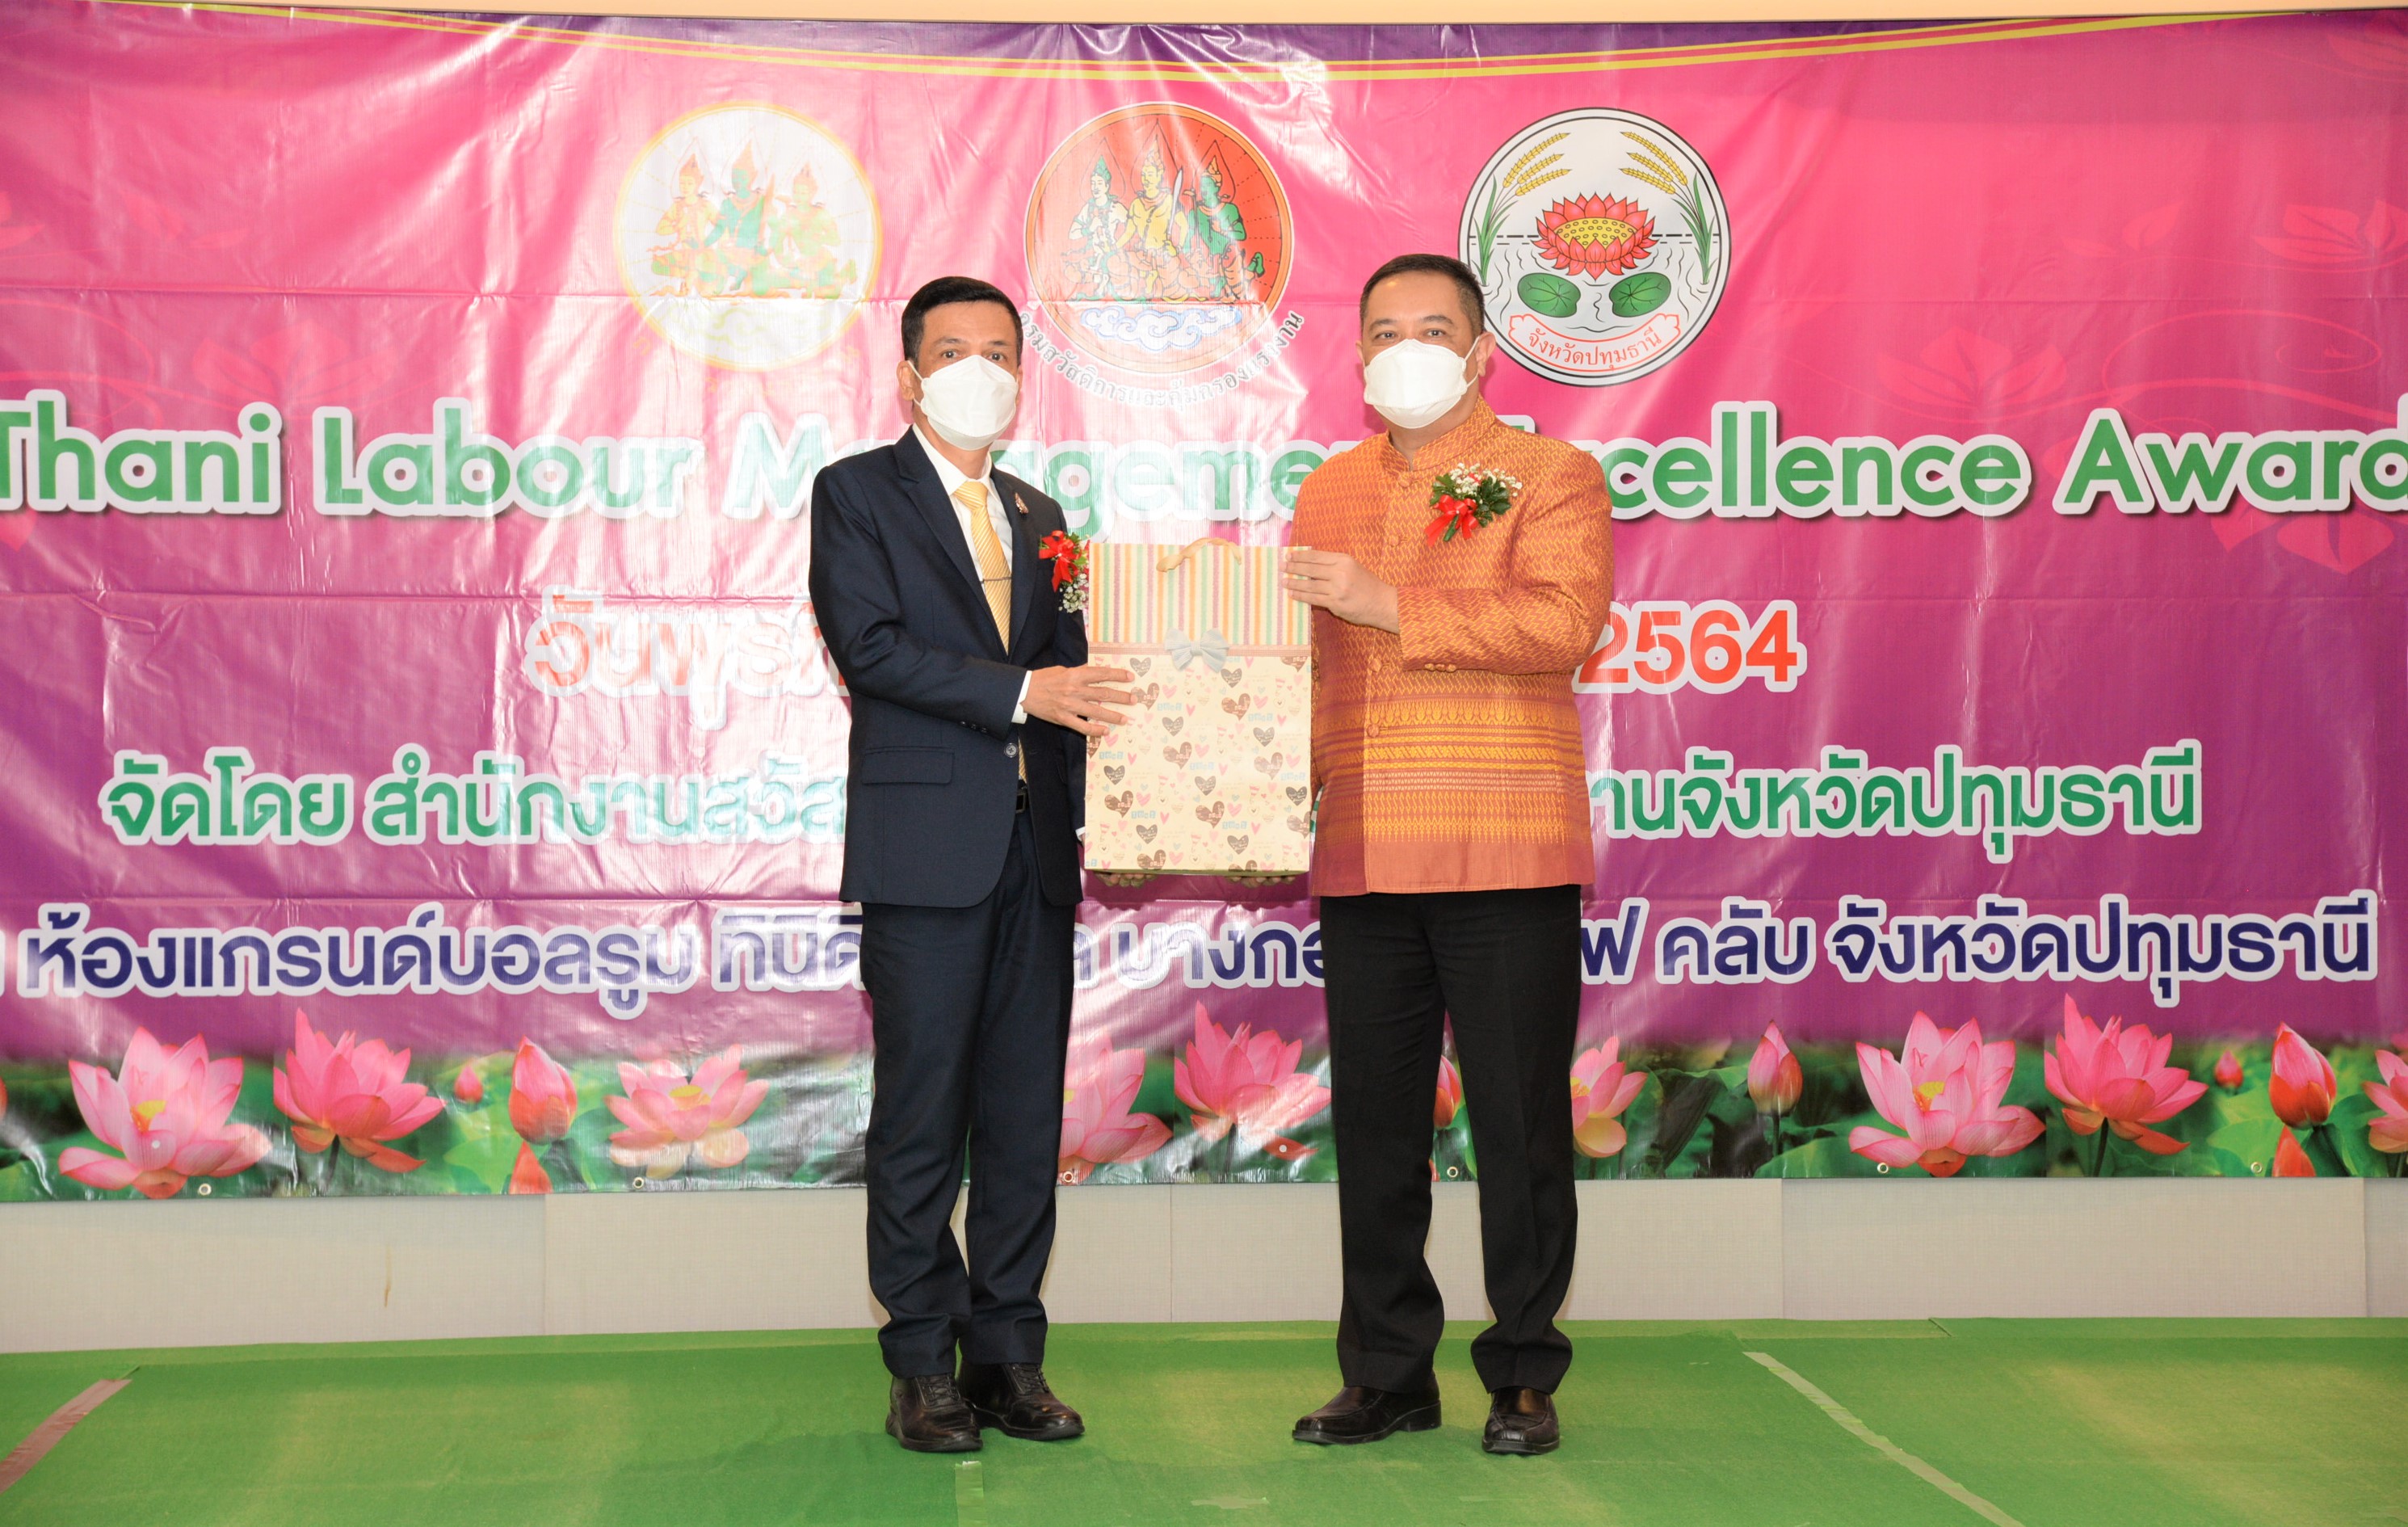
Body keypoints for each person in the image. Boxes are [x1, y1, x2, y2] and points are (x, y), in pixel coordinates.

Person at [1281, 252, 1615, 1457]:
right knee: (1376, 1130)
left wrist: (1391, 602)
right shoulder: (1327, 489)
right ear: (1358, 355)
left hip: (1503, 841)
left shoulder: (1551, 473)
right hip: (1366, 842)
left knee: (1518, 1126)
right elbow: (1307, 669)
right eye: (1384, 330)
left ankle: (1522, 1371)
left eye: (1433, 328)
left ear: (1480, 352)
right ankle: (1386, 1373)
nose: (1406, 348)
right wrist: (1266, 788)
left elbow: (1565, 622)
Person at [809, 276, 1133, 1453]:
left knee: (1019, 1117)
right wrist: (1022, 691)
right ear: (910, 375)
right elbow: (870, 647)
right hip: (925, 856)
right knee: (920, 1118)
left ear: (1022, 374)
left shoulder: (1041, 511)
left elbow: (1077, 680)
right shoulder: (856, 492)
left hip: (1034, 855)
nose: (978, 370)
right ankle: (920, 1361)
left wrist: (1138, 788)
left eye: (999, 350)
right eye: (953, 351)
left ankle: (1007, 1356)